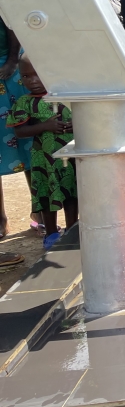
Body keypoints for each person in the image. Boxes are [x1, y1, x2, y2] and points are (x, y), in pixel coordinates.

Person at [7, 56, 77, 250]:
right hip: (42, 159)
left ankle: (72, 230)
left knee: (71, 194)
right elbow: (20, 132)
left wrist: (76, 124)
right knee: (46, 195)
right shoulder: (25, 102)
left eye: (38, 75)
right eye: (26, 76)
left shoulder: (68, 97)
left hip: (69, 157)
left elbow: (87, 119)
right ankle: (52, 233)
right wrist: (46, 126)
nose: (33, 81)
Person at [0, 20, 32, 257]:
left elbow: (11, 21)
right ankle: (0, 219)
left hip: (10, 67)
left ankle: (39, 211)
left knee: (30, 141)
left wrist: (12, 60)